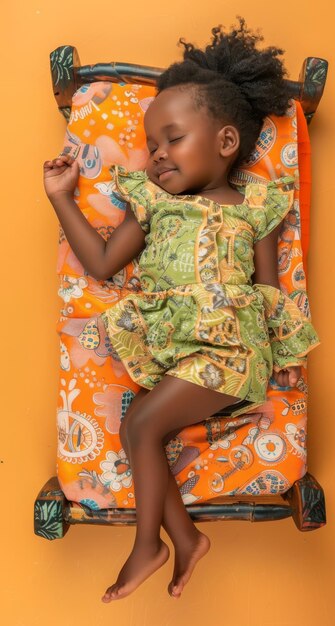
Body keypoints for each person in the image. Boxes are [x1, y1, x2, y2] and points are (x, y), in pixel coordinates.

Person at [43, 19, 319, 602]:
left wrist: (289, 355)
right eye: (152, 147)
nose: (159, 155)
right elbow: (98, 264)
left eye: (173, 139)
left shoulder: (255, 206)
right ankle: (184, 539)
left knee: (141, 424)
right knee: (135, 425)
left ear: (225, 142)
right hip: (177, 350)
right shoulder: (152, 205)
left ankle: (152, 545)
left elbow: (273, 290)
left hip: (231, 352)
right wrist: (62, 198)